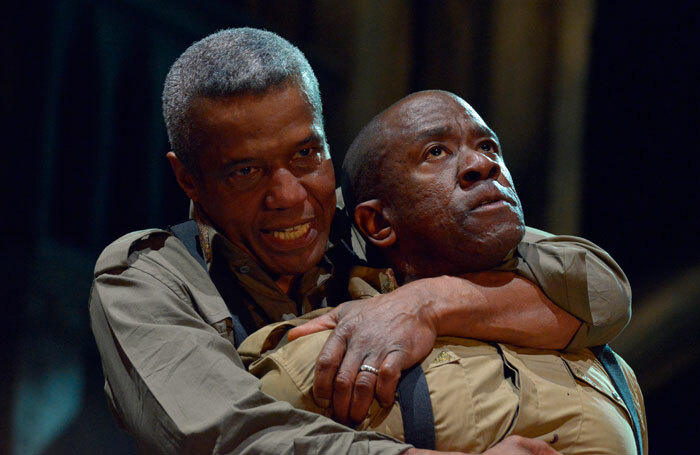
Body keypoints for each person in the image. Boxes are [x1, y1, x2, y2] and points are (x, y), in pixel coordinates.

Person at [88, 28, 631, 454]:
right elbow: (218, 436)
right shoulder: (146, 276)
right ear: (188, 179)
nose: (289, 197)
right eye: (246, 172)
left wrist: (426, 304)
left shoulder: (377, 221)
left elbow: (597, 288)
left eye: (306, 155)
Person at [241, 90, 647, 454]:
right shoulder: (328, 358)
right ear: (378, 223)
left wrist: (428, 302)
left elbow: (602, 285)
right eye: (436, 152)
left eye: (488, 146)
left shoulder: (589, 345)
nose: (481, 164)